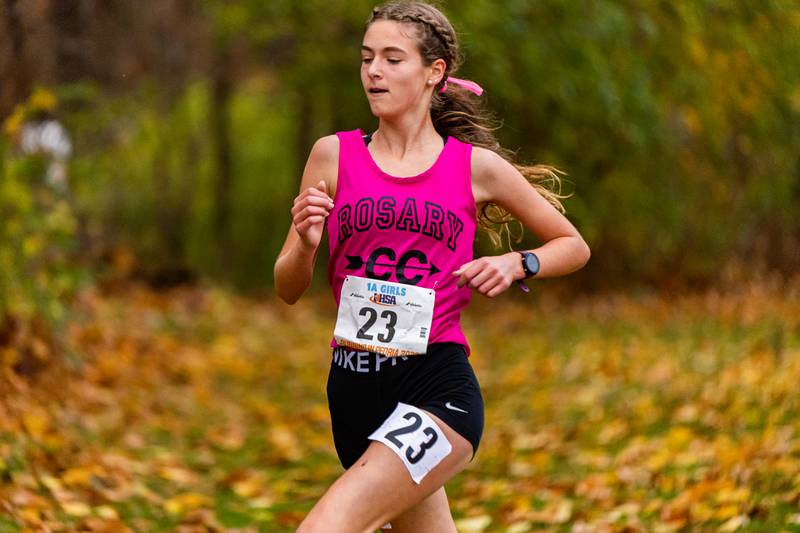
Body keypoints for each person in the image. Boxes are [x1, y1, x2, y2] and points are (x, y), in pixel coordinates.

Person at [274, 2, 590, 532]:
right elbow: (287, 287)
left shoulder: (474, 167)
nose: (373, 71)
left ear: (434, 73)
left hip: (436, 388)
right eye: (367, 57)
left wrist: (518, 262)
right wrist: (306, 245)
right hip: (352, 390)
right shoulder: (332, 156)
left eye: (393, 59)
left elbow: (572, 244)